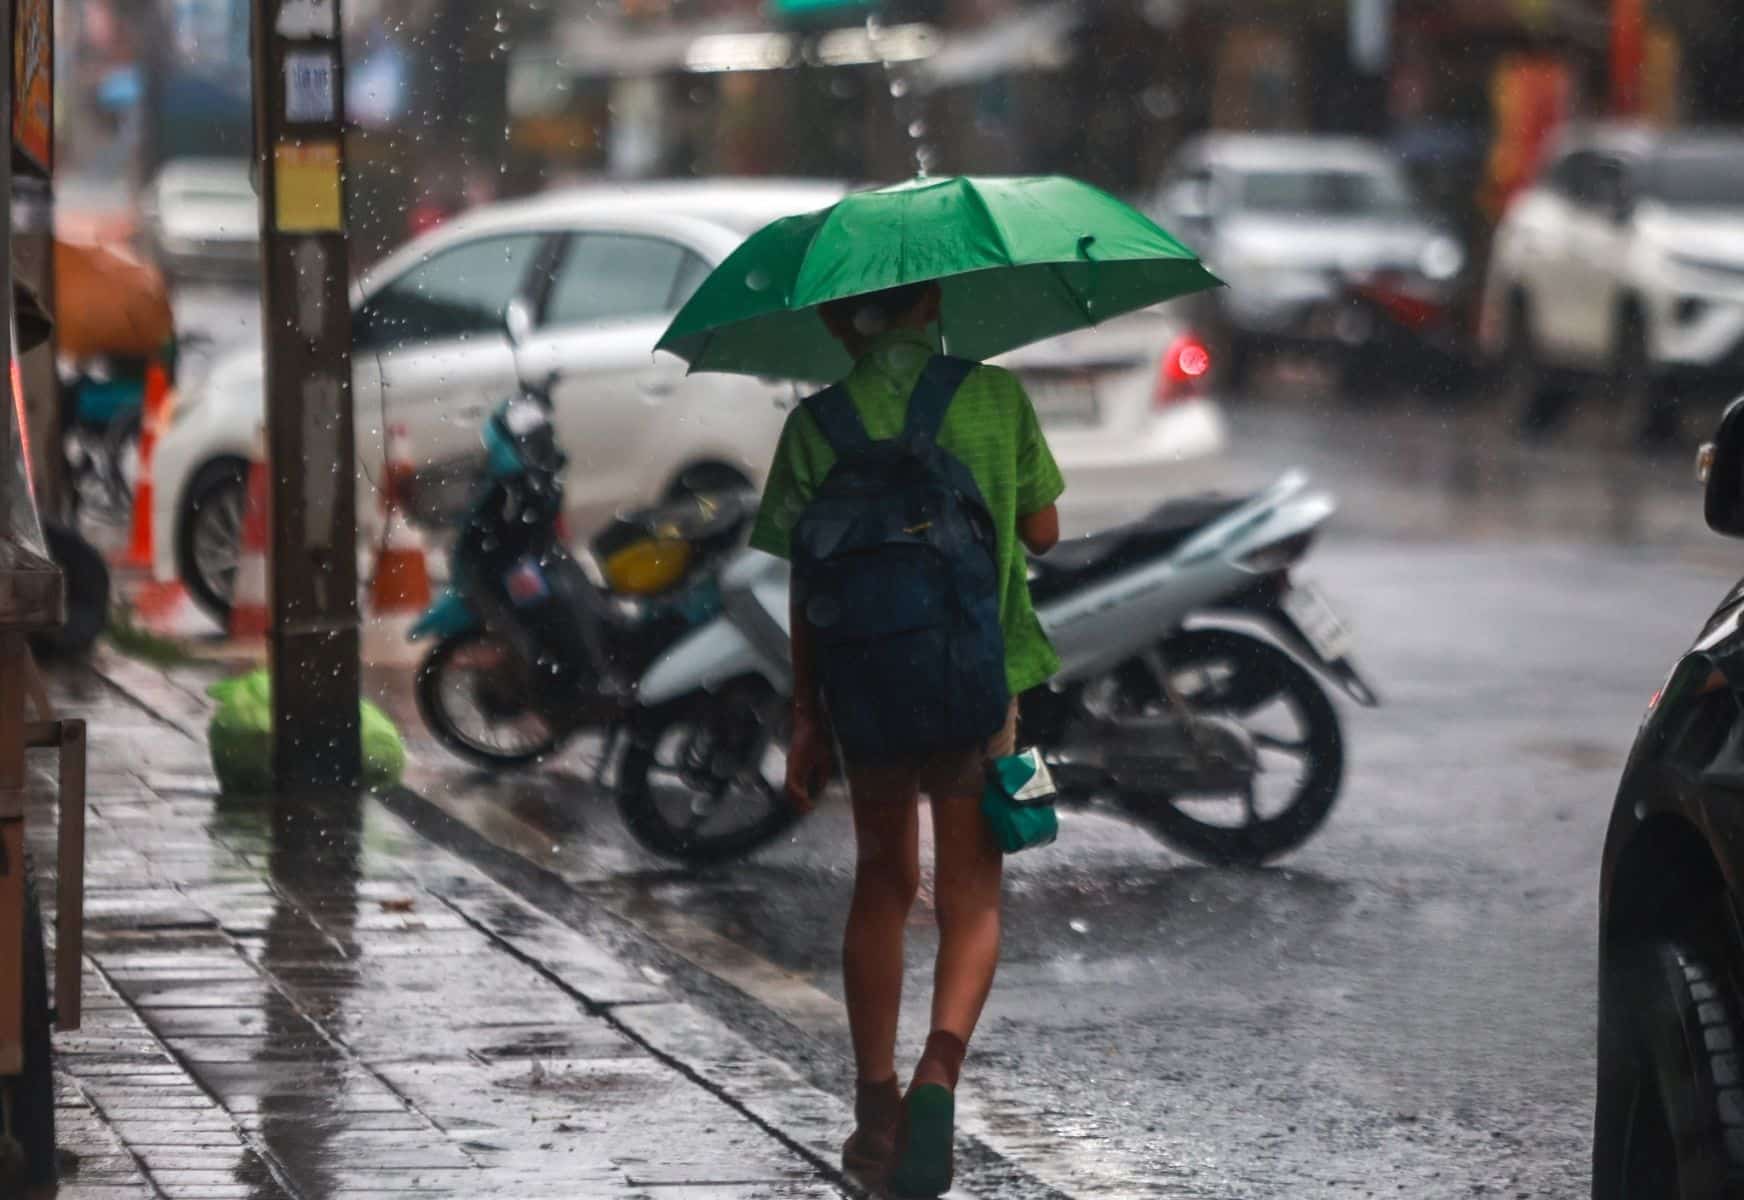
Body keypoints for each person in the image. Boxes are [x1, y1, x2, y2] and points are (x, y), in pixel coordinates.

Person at [748, 280, 1064, 1193]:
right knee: (973, 899)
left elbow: (809, 587)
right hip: (977, 686)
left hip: (866, 694)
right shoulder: (995, 396)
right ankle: (938, 1074)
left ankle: (876, 1108)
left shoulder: (814, 426)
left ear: (835, 317)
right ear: (932, 300)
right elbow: (1043, 533)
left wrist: (807, 713)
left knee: (883, 882)